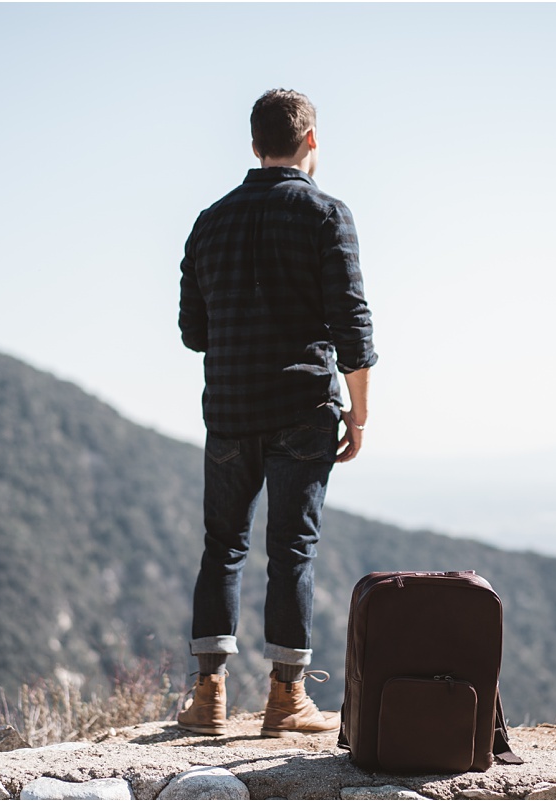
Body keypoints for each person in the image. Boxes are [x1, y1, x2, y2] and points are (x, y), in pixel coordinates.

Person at [176, 88, 377, 737]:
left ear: (254, 142)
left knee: (223, 547)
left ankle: (207, 698)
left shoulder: (209, 221)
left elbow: (192, 331)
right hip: (301, 407)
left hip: (231, 407)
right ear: (310, 139)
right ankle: (285, 701)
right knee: (291, 550)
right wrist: (360, 413)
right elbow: (352, 320)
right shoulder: (326, 214)